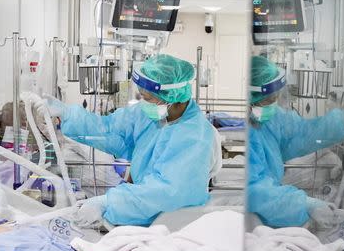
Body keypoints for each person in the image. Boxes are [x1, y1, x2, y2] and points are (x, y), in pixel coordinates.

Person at [43, 54, 215, 227]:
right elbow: (109, 129)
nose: (143, 103)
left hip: (173, 225)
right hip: (141, 211)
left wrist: (108, 202)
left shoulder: (195, 137)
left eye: (147, 98)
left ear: (172, 96)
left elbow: (166, 192)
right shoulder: (150, 115)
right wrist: (68, 114)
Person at [247, 55, 344, 228]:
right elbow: (256, 192)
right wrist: (305, 204)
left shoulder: (269, 118)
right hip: (255, 216)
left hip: (271, 207)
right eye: (269, 99)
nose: (274, 104)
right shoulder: (247, 134)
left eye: (275, 98)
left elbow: (301, 133)